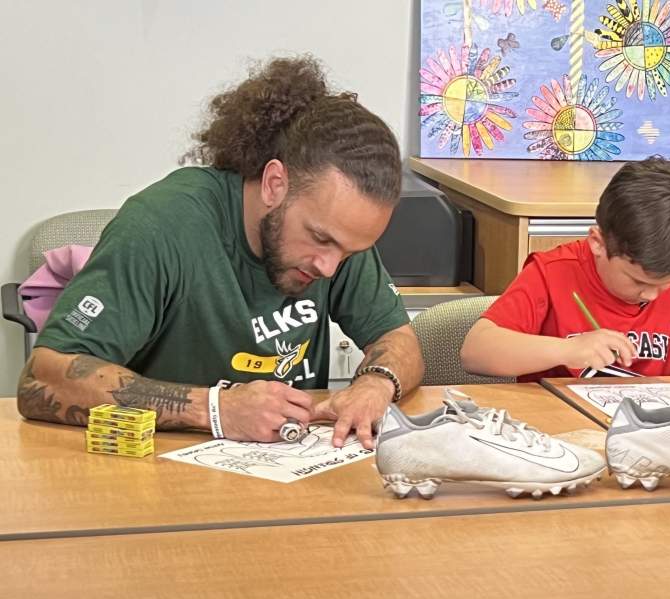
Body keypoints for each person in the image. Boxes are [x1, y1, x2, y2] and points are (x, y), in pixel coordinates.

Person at [17, 56, 423, 448]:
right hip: (155, 473)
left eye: (349, 252)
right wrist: (215, 409)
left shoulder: (338, 236)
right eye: (319, 238)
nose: (330, 267)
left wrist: (376, 382)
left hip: (281, 470)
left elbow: (399, 338)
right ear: (274, 184)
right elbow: (43, 378)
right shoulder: (161, 227)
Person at [460, 157, 670, 394]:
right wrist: (567, 350)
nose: (652, 295)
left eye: (666, 283)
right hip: (560, 433)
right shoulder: (553, 272)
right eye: (638, 282)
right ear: (598, 243)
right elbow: (475, 351)